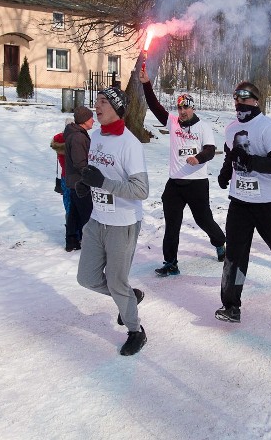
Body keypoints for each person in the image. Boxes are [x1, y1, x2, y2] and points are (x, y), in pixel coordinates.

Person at [215, 81, 271, 323]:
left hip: (268, 203)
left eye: (245, 97)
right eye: (236, 98)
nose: (239, 102)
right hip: (240, 201)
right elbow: (232, 155)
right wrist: (225, 173)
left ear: (256, 101)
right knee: (235, 254)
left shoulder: (267, 128)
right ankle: (231, 305)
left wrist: (251, 162)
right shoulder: (231, 129)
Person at [76, 86, 150, 356]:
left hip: (123, 223)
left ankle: (135, 331)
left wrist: (103, 183)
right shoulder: (95, 136)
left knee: (117, 282)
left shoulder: (130, 144)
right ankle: (130, 297)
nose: (97, 106)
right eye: (97, 100)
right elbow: (96, 172)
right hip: (98, 219)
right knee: (87, 278)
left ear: (117, 108)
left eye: (103, 102)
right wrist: (88, 184)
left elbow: (141, 190)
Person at [139, 68, 226, 275]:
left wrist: (198, 158)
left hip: (196, 182)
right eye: (179, 109)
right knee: (172, 224)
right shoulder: (173, 122)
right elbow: (155, 106)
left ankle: (220, 241)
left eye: (185, 108)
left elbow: (211, 150)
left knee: (203, 220)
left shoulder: (203, 126)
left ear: (193, 109)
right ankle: (171, 262)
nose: (182, 112)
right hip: (175, 183)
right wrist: (146, 84)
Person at [63, 106, 94, 251]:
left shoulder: (76, 134)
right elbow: (80, 162)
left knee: (74, 213)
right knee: (86, 213)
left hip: (74, 181)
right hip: (79, 182)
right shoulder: (78, 137)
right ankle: (88, 242)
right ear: (83, 121)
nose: (93, 120)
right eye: (90, 118)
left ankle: (72, 241)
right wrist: (91, 176)